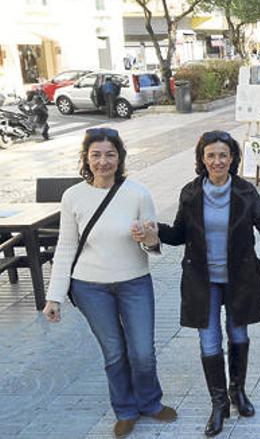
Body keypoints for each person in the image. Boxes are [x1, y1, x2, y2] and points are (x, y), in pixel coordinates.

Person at [135, 130, 260, 436]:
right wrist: (155, 234)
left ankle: (238, 392)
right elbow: (180, 234)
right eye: (211, 155)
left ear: (233, 158)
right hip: (202, 280)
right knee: (209, 340)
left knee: (238, 335)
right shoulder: (191, 192)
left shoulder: (246, 192)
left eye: (223, 154)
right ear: (201, 158)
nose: (217, 160)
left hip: (239, 278)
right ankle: (219, 403)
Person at [42, 128, 177, 438]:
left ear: (120, 158)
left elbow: (152, 246)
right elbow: (65, 247)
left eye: (110, 155)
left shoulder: (138, 193)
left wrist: (150, 238)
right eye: (96, 155)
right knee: (114, 352)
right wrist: (55, 297)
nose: (103, 161)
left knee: (143, 351)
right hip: (90, 287)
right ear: (86, 159)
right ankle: (125, 410)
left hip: (134, 283)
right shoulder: (73, 196)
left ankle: (150, 402)